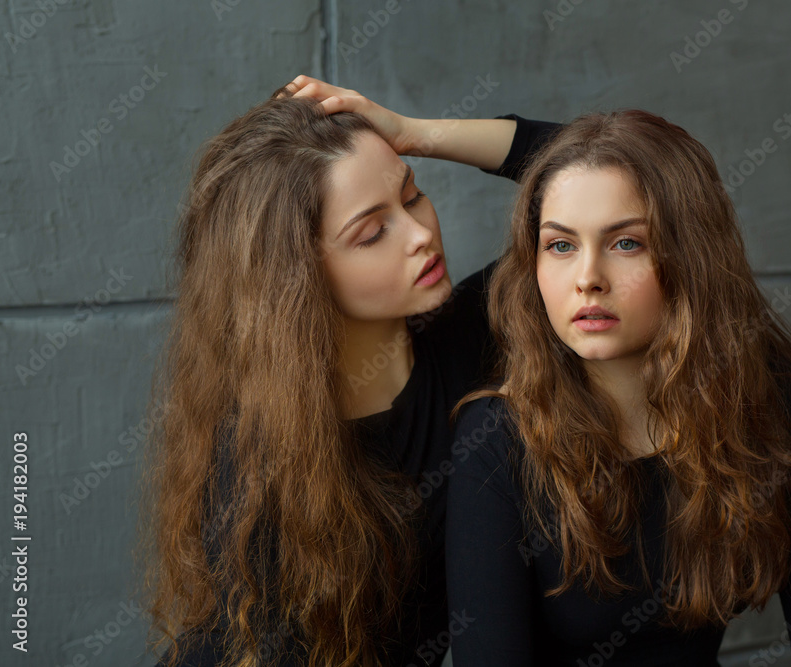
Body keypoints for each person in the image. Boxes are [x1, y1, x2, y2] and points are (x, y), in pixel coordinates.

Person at [135, 76, 562, 667]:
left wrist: (417, 134)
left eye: (412, 197)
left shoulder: (475, 329)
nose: (420, 235)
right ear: (298, 277)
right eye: (371, 233)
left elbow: (617, 172)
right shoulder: (259, 468)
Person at [446, 109, 791, 666]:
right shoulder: (498, 441)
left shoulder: (775, 406)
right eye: (560, 245)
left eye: (627, 244)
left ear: (691, 258)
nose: (588, 277)